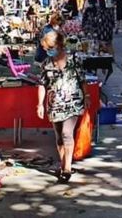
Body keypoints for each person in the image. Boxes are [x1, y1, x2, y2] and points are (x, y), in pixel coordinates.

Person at [37, 30, 87, 183]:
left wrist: (88, 96)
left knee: (67, 133)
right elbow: (42, 84)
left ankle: (67, 168)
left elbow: (82, 79)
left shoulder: (73, 59)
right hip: (54, 104)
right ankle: (64, 162)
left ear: (59, 45)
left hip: (73, 102)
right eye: (46, 48)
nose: (48, 51)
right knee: (59, 137)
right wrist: (39, 104)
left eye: (50, 47)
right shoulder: (46, 64)